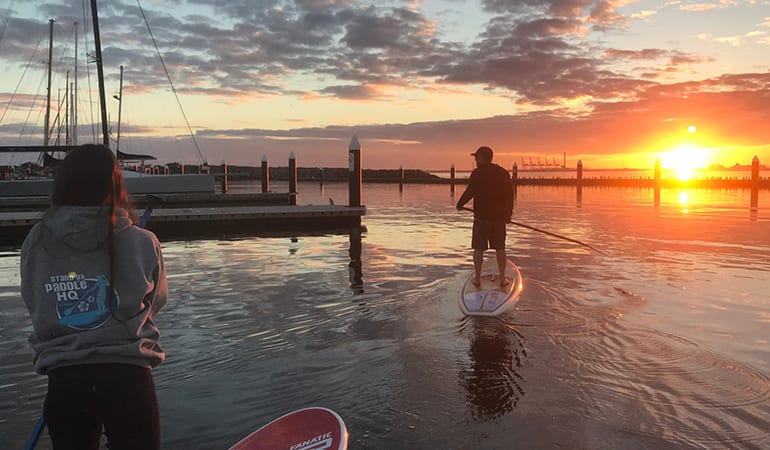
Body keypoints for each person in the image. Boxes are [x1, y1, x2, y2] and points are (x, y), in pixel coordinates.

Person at [20, 144, 168, 450]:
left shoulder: (36, 238)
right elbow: (157, 301)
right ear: (115, 184)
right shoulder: (143, 241)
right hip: (129, 378)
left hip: (66, 380)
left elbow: (34, 298)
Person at [456, 146, 513, 287]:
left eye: (476, 158)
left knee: (478, 249)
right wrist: (508, 215)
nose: (475, 160)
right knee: (500, 248)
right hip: (499, 219)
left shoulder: (477, 173)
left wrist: (460, 204)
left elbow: (470, 191)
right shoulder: (502, 173)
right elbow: (510, 197)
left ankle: (477, 279)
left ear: (482, 158)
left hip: (481, 218)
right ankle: (502, 279)